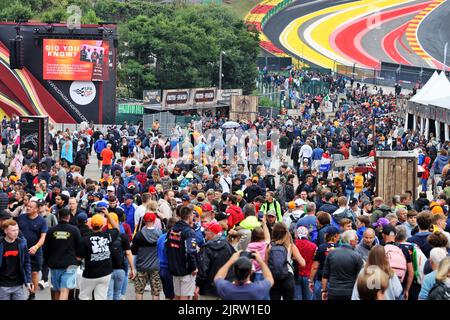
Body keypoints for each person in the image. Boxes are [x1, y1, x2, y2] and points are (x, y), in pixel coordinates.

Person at [76, 212, 118, 300]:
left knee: (84, 296)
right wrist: (108, 215)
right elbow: (117, 228)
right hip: (106, 273)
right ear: (102, 225)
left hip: (90, 273)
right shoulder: (108, 235)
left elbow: (78, 258)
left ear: (90, 225)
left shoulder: (85, 240)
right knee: (101, 297)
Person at [42, 208, 82, 300]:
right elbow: (80, 247)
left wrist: (48, 262)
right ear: (69, 217)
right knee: (65, 290)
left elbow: (45, 248)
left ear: (58, 216)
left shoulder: (51, 230)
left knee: (56, 290)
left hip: (55, 264)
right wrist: (78, 260)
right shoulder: (74, 230)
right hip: (70, 264)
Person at [166, 206, 199, 300]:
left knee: (177, 294)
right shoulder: (189, 232)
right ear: (189, 217)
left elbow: (167, 247)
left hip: (174, 267)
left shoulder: (172, 229)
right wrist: (193, 267)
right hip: (186, 269)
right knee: (185, 295)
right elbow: (190, 251)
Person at [17, 198, 48, 300]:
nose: (28, 208)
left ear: (37, 209)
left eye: (30, 207)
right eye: (27, 206)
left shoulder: (42, 221)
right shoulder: (21, 218)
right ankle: (18, 293)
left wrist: (36, 247)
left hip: (35, 250)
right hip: (21, 250)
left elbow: (43, 237)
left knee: (34, 273)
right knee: (19, 271)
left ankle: (32, 293)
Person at [196, 221, 235, 299]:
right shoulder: (228, 246)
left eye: (207, 230)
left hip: (208, 290)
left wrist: (197, 285)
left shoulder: (206, 248)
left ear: (212, 232)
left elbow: (203, 271)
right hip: (224, 288)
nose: (204, 232)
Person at [267, 222, 306, 300]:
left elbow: (265, 263)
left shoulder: (270, 246)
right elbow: (303, 263)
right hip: (288, 276)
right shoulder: (291, 246)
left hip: (274, 277)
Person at [321, 230, 364, 300]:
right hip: (349, 293)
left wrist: (324, 291)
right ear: (351, 241)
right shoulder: (356, 256)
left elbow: (325, 275)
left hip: (333, 292)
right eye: (356, 240)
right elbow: (359, 278)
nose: (357, 242)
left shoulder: (331, 253)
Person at [131, 212, 162, 300]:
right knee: (156, 291)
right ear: (154, 220)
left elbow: (134, 251)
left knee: (139, 290)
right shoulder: (160, 234)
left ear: (144, 221)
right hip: (155, 266)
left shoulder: (139, 235)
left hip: (141, 265)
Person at [0, 219, 33, 300]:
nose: (16, 232)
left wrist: (28, 280)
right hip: (2, 285)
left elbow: (27, 262)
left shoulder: (22, 243)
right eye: (13, 230)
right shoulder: (1, 244)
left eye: (17, 230)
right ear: (5, 231)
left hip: (18, 284)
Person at [294, 226, 317, 300]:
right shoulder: (313, 246)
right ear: (307, 234)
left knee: (297, 297)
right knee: (308, 297)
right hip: (308, 274)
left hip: (296, 274)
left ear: (297, 234)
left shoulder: (293, 245)